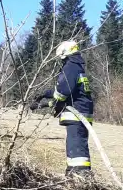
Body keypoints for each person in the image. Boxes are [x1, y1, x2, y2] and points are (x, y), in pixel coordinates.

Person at [30, 40, 94, 175]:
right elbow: (67, 94)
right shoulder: (78, 68)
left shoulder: (70, 67)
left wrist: (45, 95)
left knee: (76, 144)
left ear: (65, 55)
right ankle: (72, 171)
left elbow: (62, 92)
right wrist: (44, 99)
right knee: (75, 143)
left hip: (77, 113)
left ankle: (80, 174)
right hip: (81, 111)